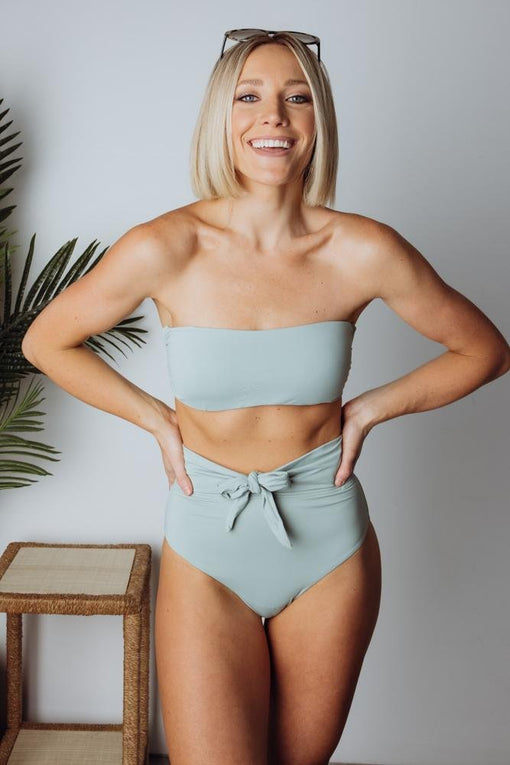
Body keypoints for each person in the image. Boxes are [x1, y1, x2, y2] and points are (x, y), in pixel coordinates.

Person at [21, 27, 509, 765]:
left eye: (296, 97)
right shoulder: (167, 245)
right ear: (222, 117)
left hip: (328, 544)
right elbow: (46, 341)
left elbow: (485, 350)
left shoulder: (363, 249)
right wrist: (157, 420)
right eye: (249, 96)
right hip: (206, 545)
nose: (273, 116)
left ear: (318, 119)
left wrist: (370, 408)